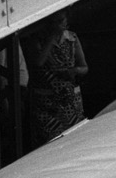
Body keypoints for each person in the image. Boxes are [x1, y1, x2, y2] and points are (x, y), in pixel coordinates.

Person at [26, 12, 89, 144]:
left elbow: (84, 67)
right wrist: (51, 38)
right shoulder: (38, 39)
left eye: (62, 20)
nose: (60, 24)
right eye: (56, 21)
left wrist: (74, 71)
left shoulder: (72, 38)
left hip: (70, 99)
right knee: (51, 139)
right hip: (48, 101)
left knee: (74, 136)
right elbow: (39, 61)